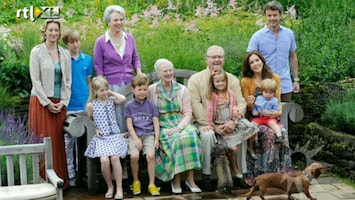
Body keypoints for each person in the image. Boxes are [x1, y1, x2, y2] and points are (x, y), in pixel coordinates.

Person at [187, 45, 247, 190]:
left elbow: (241, 102)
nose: (216, 60)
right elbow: (195, 104)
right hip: (206, 123)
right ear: (207, 59)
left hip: (230, 122)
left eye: (219, 57)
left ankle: (240, 174)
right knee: (207, 136)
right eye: (213, 57)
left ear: (224, 59)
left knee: (244, 133)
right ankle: (206, 175)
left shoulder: (231, 79)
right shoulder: (196, 79)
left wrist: (234, 120)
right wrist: (213, 126)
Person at [148, 58, 202, 194]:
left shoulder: (182, 89)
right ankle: (175, 180)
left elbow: (188, 113)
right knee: (176, 139)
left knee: (191, 136)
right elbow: (148, 113)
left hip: (180, 122)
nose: (168, 73)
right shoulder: (152, 90)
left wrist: (180, 127)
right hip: (162, 125)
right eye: (165, 71)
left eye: (170, 70)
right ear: (158, 73)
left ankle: (190, 180)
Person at [28, 19, 71, 189]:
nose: (53, 33)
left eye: (56, 30)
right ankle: (43, 183)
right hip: (41, 103)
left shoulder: (65, 53)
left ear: (60, 33)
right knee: (44, 141)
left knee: (57, 143)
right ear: (44, 32)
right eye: (50, 30)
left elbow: (68, 80)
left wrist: (64, 102)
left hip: (59, 103)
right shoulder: (37, 52)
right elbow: (35, 80)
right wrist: (46, 103)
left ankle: (60, 183)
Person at [241, 50, 292, 186]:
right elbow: (248, 108)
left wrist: (274, 114)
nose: (255, 64)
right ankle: (262, 175)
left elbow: (278, 102)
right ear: (249, 66)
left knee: (283, 134)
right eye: (251, 62)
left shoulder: (275, 78)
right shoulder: (246, 82)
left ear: (262, 61)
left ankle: (281, 174)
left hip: (272, 116)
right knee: (268, 135)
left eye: (257, 60)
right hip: (255, 117)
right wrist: (250, 104)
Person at [94, 5, 143, 134]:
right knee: (116, 114)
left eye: (121, 19)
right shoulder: (101, 42)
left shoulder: (130, 38)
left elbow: (135, 58)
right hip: (112, 84)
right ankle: (118, 143)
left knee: (130, 111)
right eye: (115, 20)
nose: (119, 23)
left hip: (128, 81)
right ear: (108, 22)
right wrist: (103, 85)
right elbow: (98, 66)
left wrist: (139, 73)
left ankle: (132, 140)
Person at [205, 69, 259, 178]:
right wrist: (211, 125)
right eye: (217, 82)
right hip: (221, 125)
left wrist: (235, 115)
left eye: (222, 81)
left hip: (232, 121)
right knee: (234, 149)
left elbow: (234, 105)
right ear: (213, 83)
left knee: (252, 127)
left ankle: (251, 147)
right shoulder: (212, 96)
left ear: (226, 82)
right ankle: (234, 166)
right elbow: (210, 111)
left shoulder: (230, 93)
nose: (220, 84)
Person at [84, 77, 128, 200]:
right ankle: (110, 186)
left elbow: (123, 99)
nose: (104, 93)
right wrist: (96, 129)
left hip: (115, 136)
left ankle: (119, 188)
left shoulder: (111, 100)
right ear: (95, 91)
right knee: (104, 160)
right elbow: (91, 119)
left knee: (114, 158)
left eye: (106, 89)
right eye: (101, 90)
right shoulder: (91, 105)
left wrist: (111, 92)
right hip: (103, 138)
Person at [247, 0, 300, 102]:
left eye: (275, 15)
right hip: (265, 85)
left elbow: (293, 56)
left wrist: (296, 79)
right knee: (266, 115)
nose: (272, 18)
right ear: (266, 16)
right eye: (269, 15)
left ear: (281, 15)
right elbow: (250, 60)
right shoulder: (257, 36)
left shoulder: (289, 34)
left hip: (285, 84)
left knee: (285, 114)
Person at [62, 29, 93, 187]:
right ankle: (71, 175)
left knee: (84, 142)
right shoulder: (63, 60)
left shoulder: (87, 60)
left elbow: (89, 83)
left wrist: (89, 101)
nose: (75, 44)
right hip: (68, 106)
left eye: (77, 41)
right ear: (67, 44)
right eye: (72, 42)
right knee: (68, 142)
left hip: (83, 106)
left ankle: (84, 173)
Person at [124, 74, 161, 196]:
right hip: (135, 135)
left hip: (149, 134)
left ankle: (152, 183)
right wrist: (135, 139)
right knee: (134, 156)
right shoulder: (129, 106)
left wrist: (156, 139)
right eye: (139, 89)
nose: (142, 92)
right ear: (133, 90)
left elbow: (156, 122)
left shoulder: (151, 105)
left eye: (145, 89)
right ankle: (136, 181)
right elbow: (129, 124)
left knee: (150, 156)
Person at [251, 78, 283, 143]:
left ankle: (279, 136)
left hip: (270, 118)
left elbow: (277, 110)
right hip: (260, 117)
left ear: (274, 93)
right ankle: (255, 140)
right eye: (266, 92)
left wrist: (269, 113)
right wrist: (255, 112)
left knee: (272, 124)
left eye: (270, 93)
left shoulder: (274, 100)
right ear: (262, 91)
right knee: (253, 124)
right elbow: (255, 108)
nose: (268, 94)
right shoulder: (259, 98)